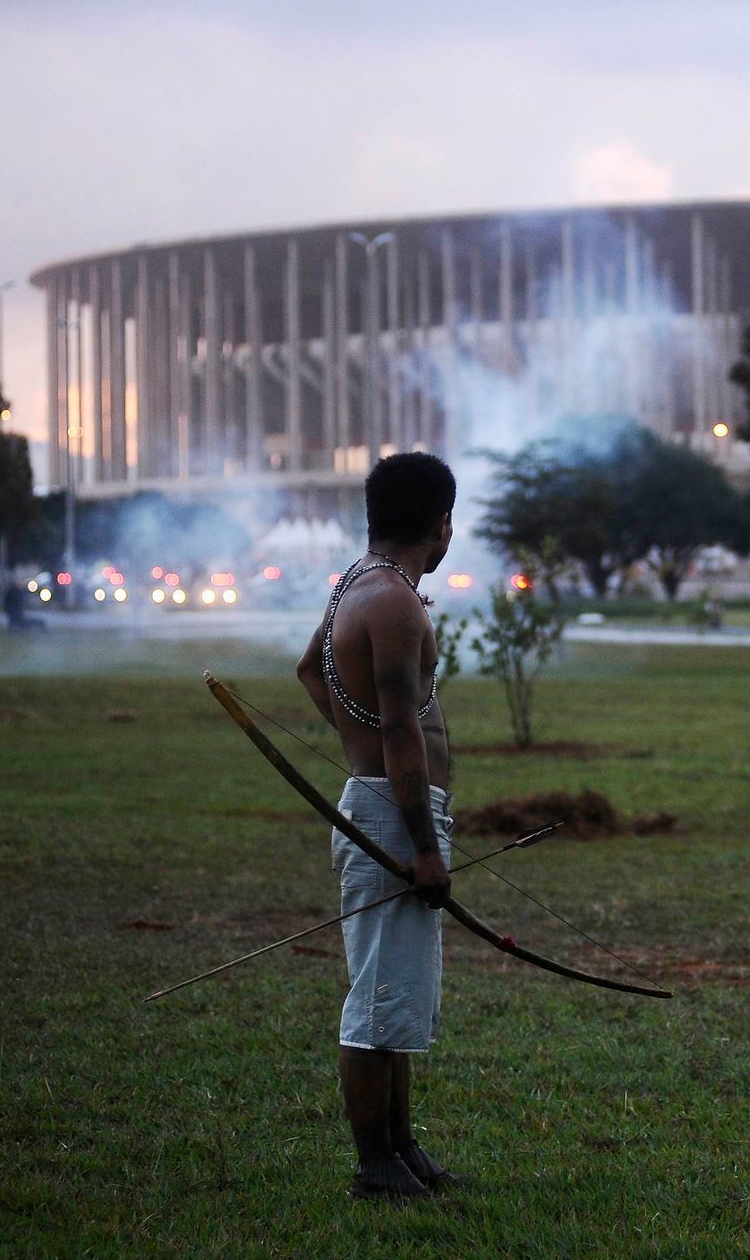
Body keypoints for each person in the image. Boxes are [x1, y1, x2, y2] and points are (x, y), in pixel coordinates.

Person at [296, 452, 460, 1200]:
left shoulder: (352, 587)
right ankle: (375, 1164)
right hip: (395, 817)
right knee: (376, 1000)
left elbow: (308, 671)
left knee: (398, 992)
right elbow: (402, 733)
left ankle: (401, 1147)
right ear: (441, 524)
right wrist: (423, 847)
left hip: (383, 805)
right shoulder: (395, 602)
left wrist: (354, 746)